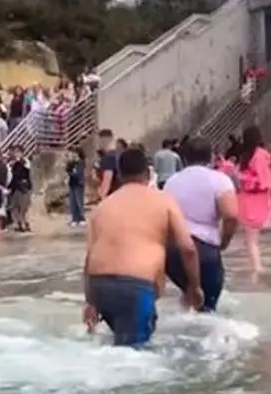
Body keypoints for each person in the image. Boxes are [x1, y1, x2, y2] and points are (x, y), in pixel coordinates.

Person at [83, 147, 201, 348]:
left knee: (121, 347)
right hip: (135, 287)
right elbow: (188, 248)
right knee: (135, 355)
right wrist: (195, 286)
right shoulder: (163, 200)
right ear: (148, 173)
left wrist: (90, 302)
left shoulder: (102, 207)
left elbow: (88, 258)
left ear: (119, 176)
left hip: (98, 286)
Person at [163, 136, 239, 313]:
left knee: (189, 295)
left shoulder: (172, 182)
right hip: (204, 250)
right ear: (212, 157)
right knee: (207, 309)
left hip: (174, 252)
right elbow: (232, 215)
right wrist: (224, 241)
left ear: (184, 158)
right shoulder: (220, 180)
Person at [218, 125, 271, 277]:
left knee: (251, 237)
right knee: (249, 238)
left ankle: (257, 268)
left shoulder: (260, 156)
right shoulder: (250, 155)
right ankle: (256, 267)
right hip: (247, 199)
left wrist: (243, 178)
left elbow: (263, 181)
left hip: (255, 200)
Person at [95, 129, 121, 202]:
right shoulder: (117, 155)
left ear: (103, 140)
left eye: (98, 141)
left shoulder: (108, 158)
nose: (98, 144)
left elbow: (107, 180)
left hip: (111, 197)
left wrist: (102, 198)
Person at [66, 149, 86, 226]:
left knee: (79, 201)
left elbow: (78, 173)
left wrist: (71, 172)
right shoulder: (72, 163)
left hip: (79, 183)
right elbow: (68, 170)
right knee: (72, 202)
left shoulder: (81, 162)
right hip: (72, 183)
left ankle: (81, 218)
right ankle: (74, 218)